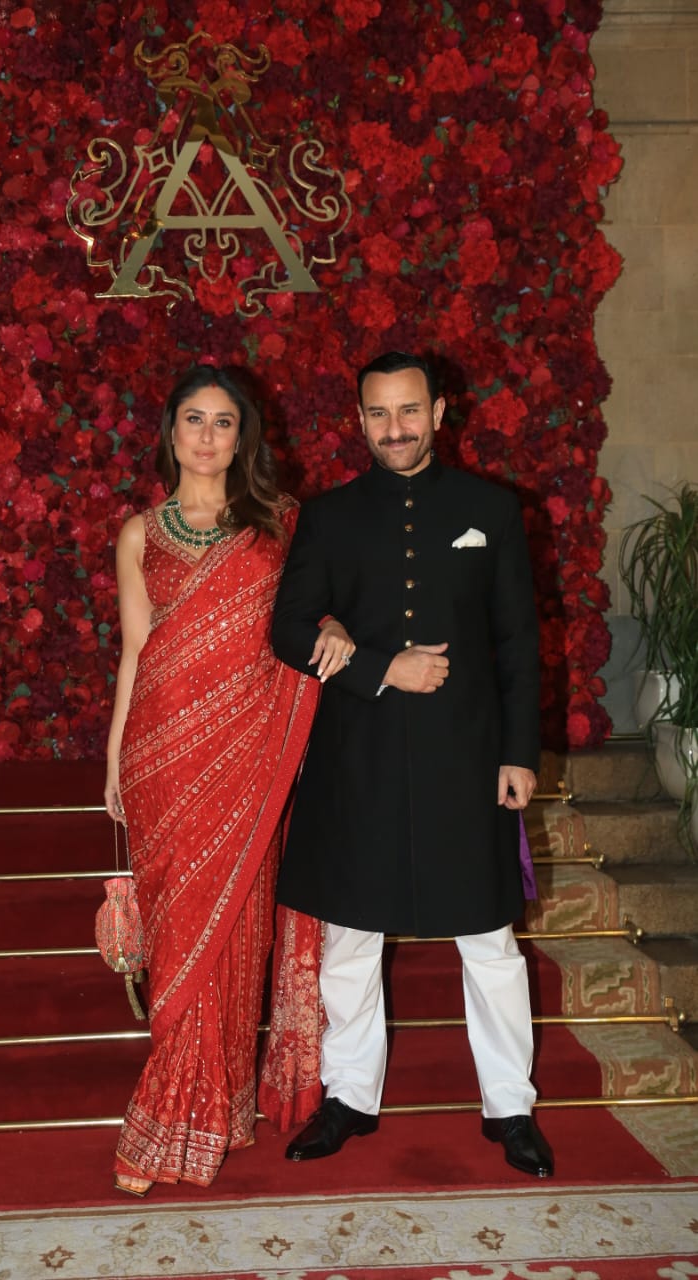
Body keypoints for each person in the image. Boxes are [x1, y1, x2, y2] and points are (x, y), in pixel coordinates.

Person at [266, 350, 553, 1179]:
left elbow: (517, 643)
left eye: (408, 411)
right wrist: (380, 667)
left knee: (488, 940)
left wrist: (518, 755)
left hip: (467, 757)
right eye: (378, 413)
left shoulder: (489, 510)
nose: (394, 429)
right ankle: (348, 1097)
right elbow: (287, 628)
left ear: (438, 413)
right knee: (349, 940)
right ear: (359, 419)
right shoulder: (328, 516)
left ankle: (510, 1107)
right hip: (357, 756)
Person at [103, 365, 328, 1196]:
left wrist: (333, 625)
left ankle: (201, 1111)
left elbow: (311, 618)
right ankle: (181, 1108)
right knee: (178, 937)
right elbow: (135, 650)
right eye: (192, 419)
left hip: (246, 753)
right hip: (161, 751)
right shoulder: (139, 533)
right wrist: (115, 759)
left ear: (243, 436)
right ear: (171, 433)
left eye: (222, 421)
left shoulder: (282, 524)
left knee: (233, 931)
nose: (205, 436)